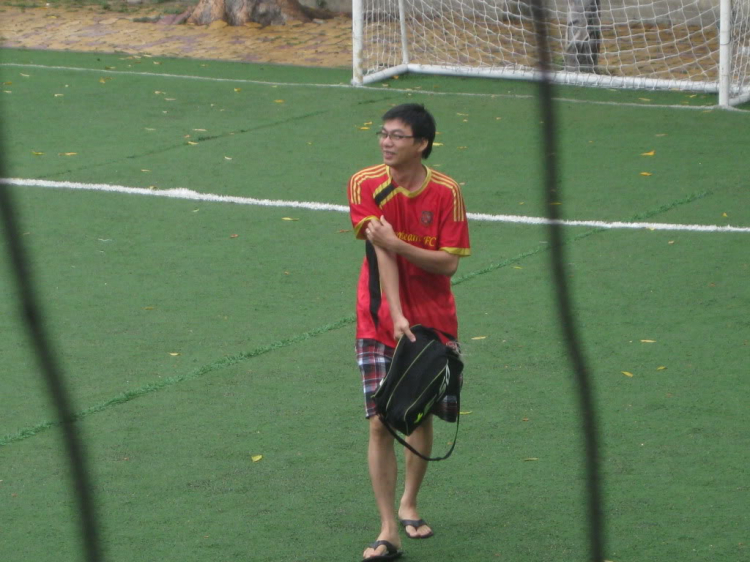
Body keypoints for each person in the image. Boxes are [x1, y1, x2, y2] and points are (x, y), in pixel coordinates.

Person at [347, 103, 471, 561]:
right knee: (380, 421)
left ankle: (409, 502)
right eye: (383, 133)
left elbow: (449, 262)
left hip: (434, 321)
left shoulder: (446, 193)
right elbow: (382, 254)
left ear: (421, 143)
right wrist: (395, 315)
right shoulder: (366, 184)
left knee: (416, 415)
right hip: (378, 319)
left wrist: (400, 244)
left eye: (398, 135)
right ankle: (387, 529)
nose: (386, 142)